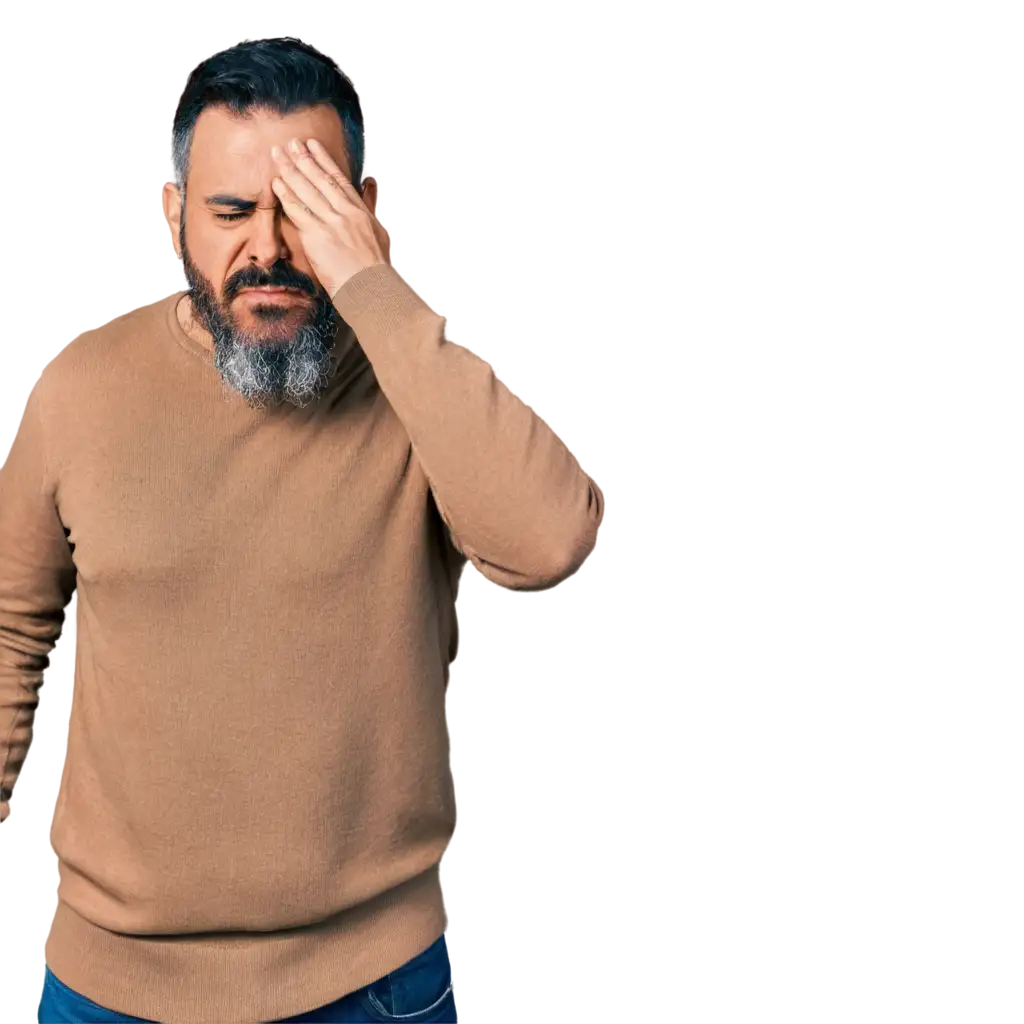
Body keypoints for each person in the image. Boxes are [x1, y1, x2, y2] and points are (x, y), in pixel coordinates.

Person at [0, 37, 600, 1024]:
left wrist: (371, 284)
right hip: (112, 987)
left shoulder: (414, 386)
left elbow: (546, 543)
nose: (270, 248)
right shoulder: (80, 386)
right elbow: (12, 625)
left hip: (372, 982)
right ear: (170, 213)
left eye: (306, 209)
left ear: (360, 209)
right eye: (232, 211)